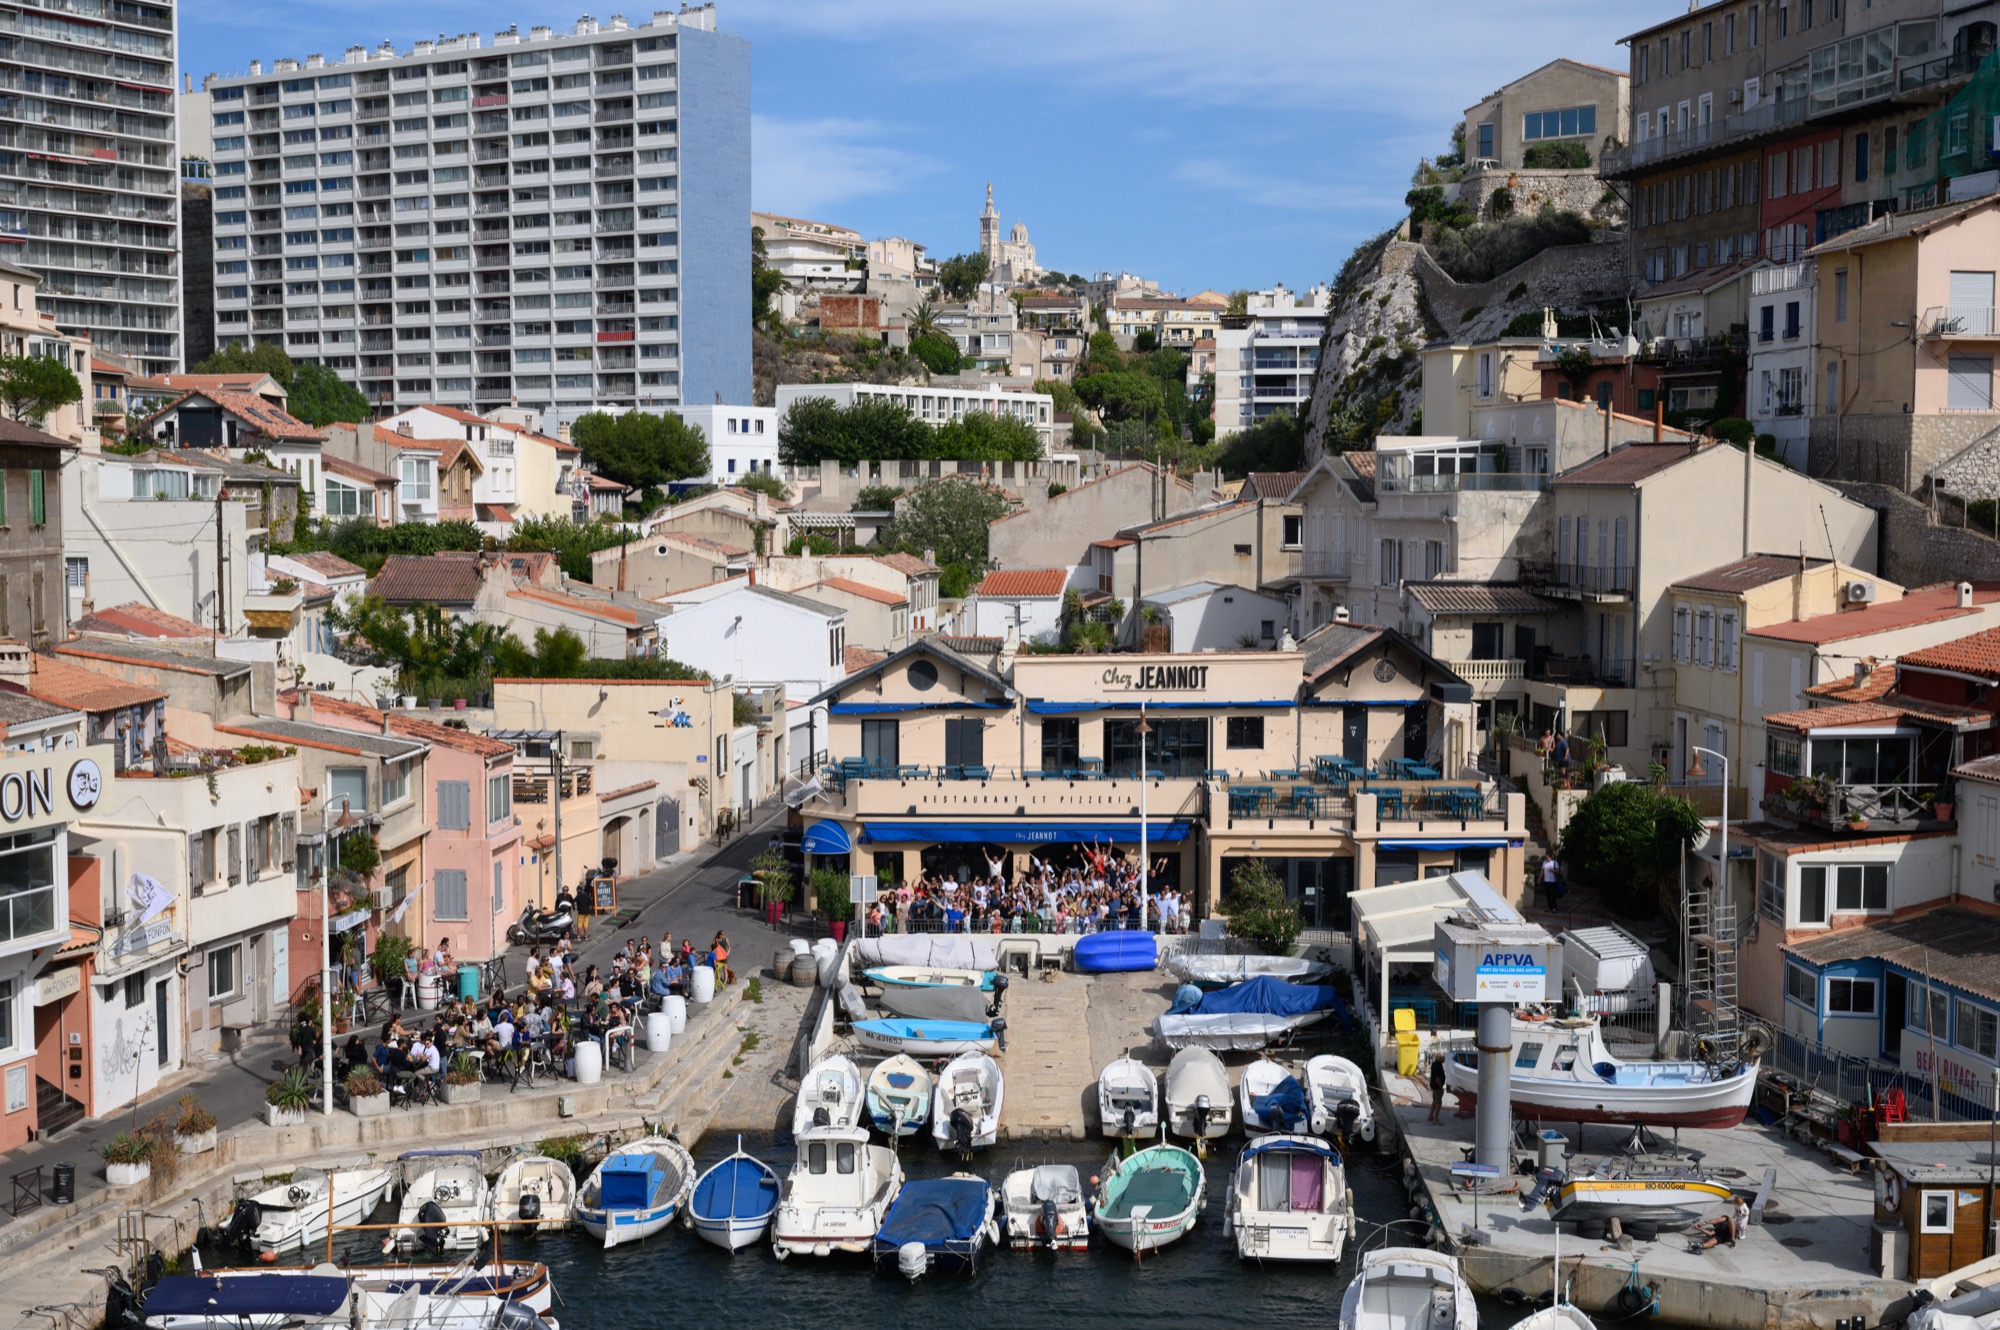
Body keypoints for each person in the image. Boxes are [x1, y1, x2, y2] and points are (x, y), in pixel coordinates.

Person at [1428, 1052, 1448, 1123]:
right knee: (1438, 1102)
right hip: (1437, 1086)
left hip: (1433, 1085)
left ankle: (1430, 1116)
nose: (1444, 1059)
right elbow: (1438, 1079)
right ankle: (1435, 1119)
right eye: (1443, 1058)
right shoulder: (1438, 1066)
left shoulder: (1434, 1064)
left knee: (1434, 1101)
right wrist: (1441, 1087)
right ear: (1440, 1058)